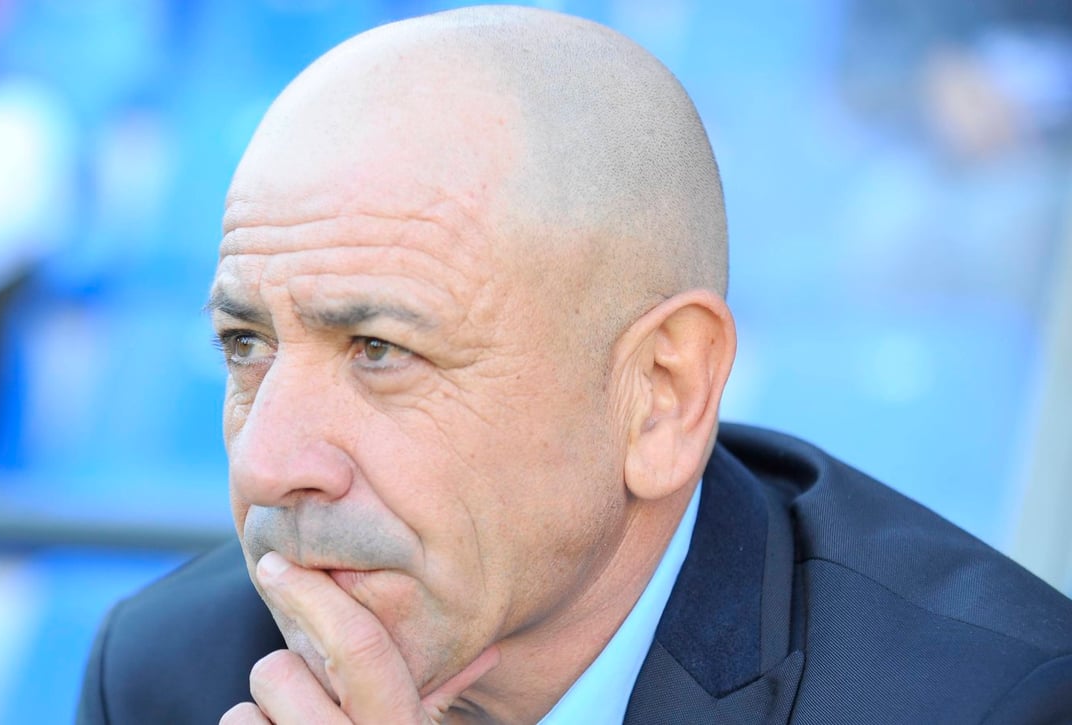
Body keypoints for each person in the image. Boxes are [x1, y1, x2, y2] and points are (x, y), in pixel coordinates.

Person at [77, 7, 1072, 723]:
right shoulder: (168, 668)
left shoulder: (989, 700)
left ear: (660, 395)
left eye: (379, 349)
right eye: (245, 344)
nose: (266, 462)